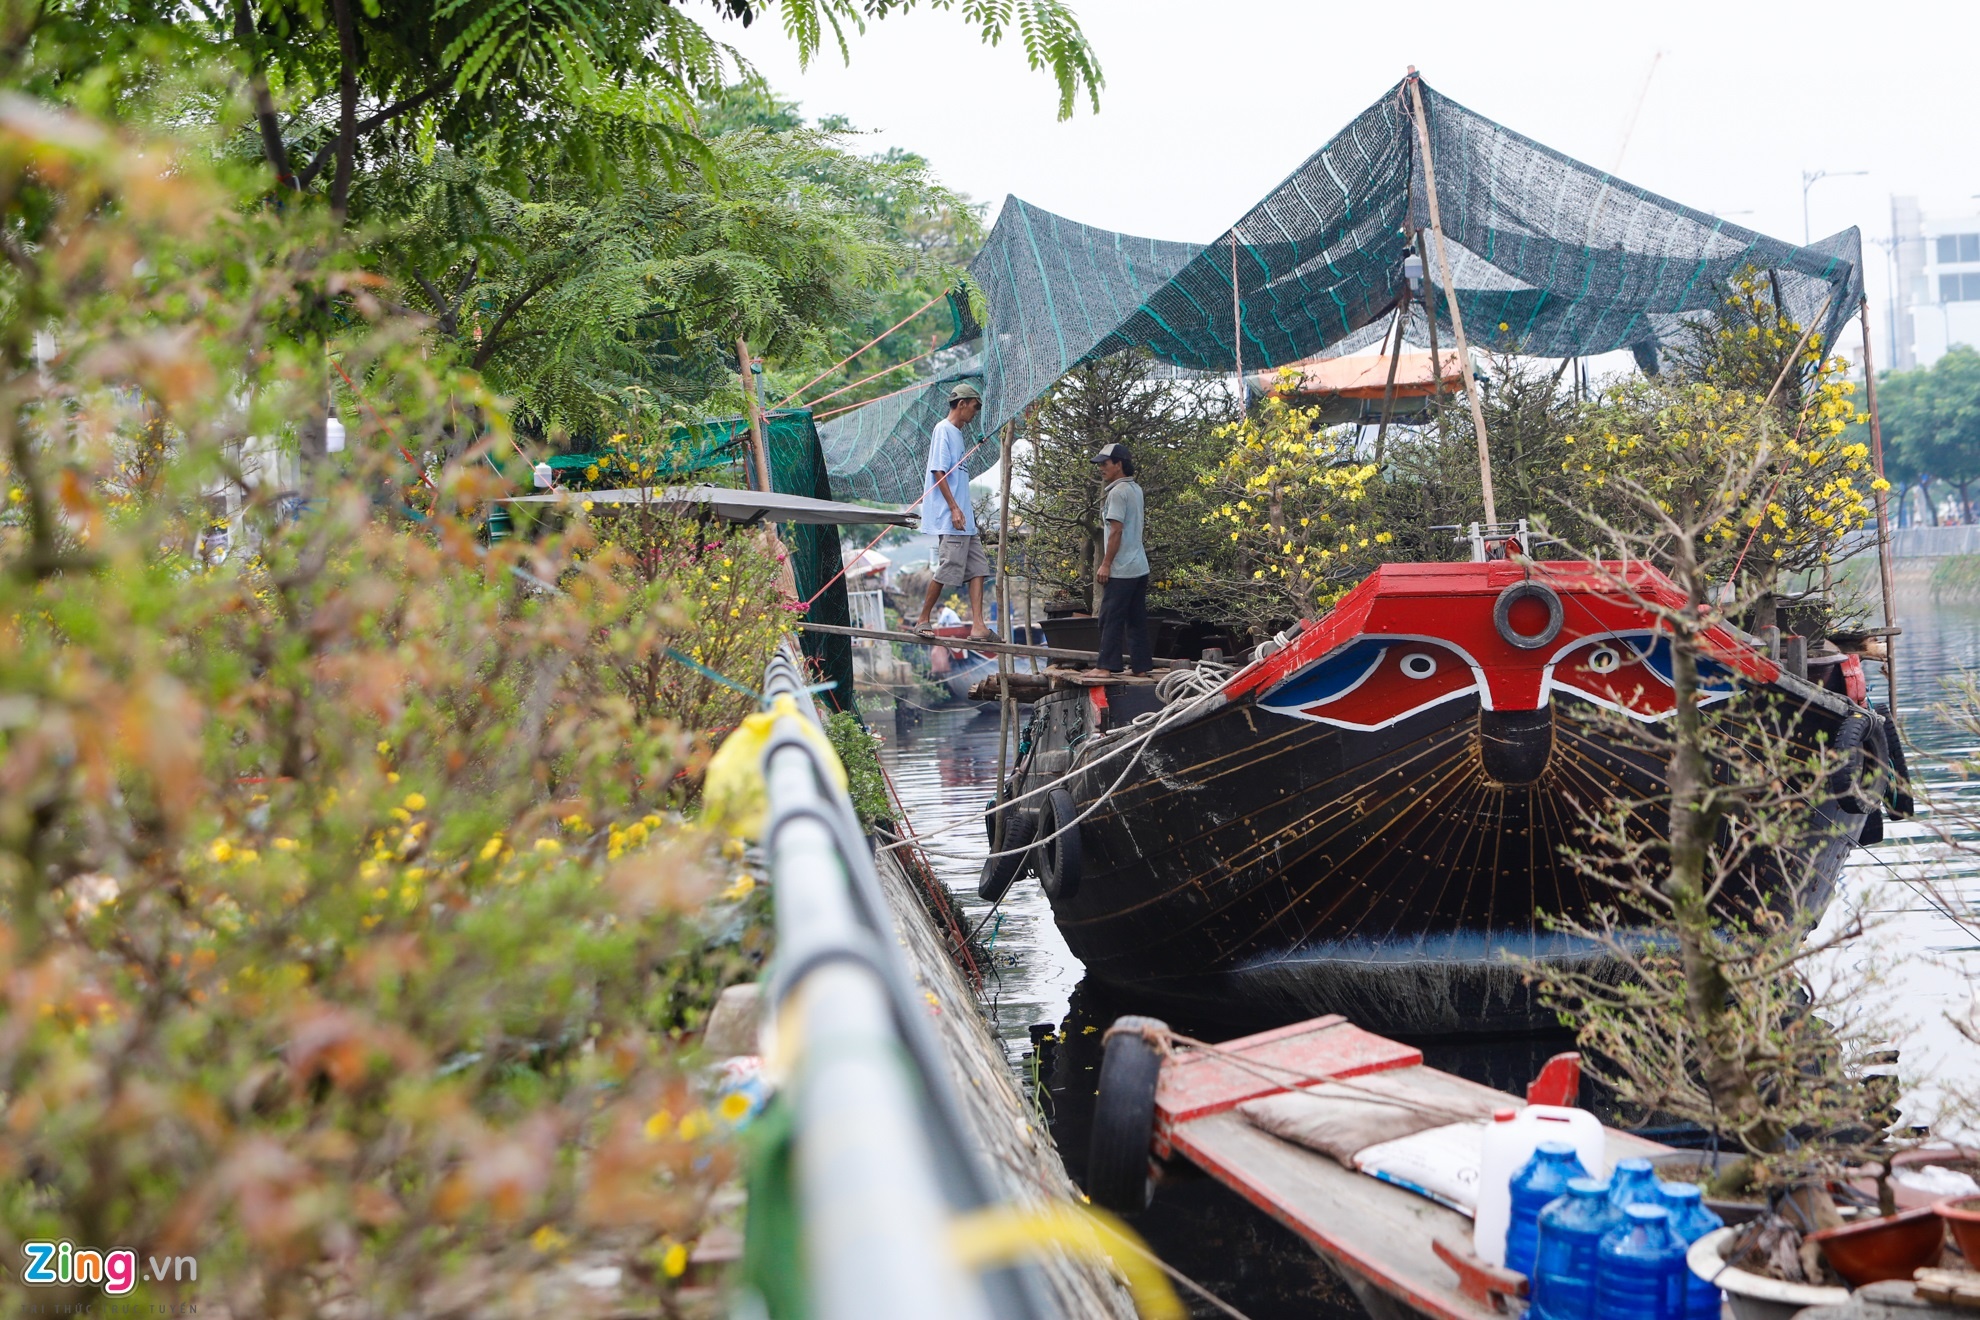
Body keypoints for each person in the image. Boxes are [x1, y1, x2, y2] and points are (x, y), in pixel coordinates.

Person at [910, 382, 997, 642]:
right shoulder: (943, 429)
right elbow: (938, 470)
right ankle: (923, 619)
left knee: (979, 568)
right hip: (952, 518)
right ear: (961, 404)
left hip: (965, 520)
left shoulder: (958, 434)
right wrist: (954, 508)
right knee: (948, 566)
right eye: (974, 407)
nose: (975, 413)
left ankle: (979, 626)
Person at [1091, 442, 1152, 676]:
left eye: (1105, 464)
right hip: (1139, 565)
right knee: (1136, 619)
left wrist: (1106, 564)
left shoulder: (1117, 492)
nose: (1101, 468)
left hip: (1122, 568)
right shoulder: (1135, 489)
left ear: (1119, 464)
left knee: (1110, 617)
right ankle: (1141, 667)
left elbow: (1116, 531)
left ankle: (1106, 666)